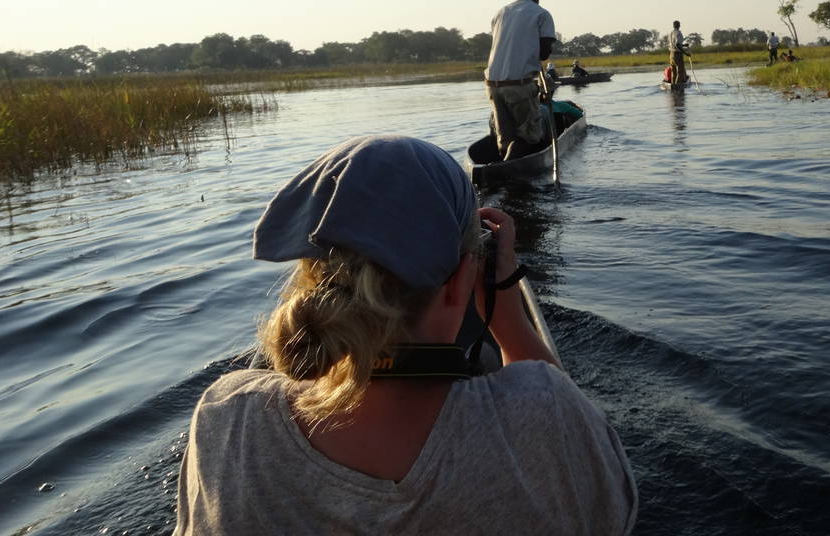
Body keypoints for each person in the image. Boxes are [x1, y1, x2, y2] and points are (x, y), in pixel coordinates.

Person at [173, 135, 637, 535]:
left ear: (310, 275)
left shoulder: (227, 419)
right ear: (462, 281)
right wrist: (508, 316)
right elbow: (604, 496)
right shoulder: (544, 409)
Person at [484, 0, 557, 161]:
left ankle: (503, 169)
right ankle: (507, 167)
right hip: (518, 85)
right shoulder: (541, 13)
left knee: (505, 139)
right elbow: (544, 53)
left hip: (492, 85)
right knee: (530, 138)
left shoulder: (500, 13)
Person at [667, 20, 688, 85]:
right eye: (679, 25)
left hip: (671, 55)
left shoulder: (670, 33)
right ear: (679, 26)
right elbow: (677, 45)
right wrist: (686, 53)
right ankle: (677, 87)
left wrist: (684, 45)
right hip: (677, 54)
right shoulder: (678, 33)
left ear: (673, 26)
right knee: (680, 72)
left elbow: (673, 44)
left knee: (674, 72)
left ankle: (673, 86)